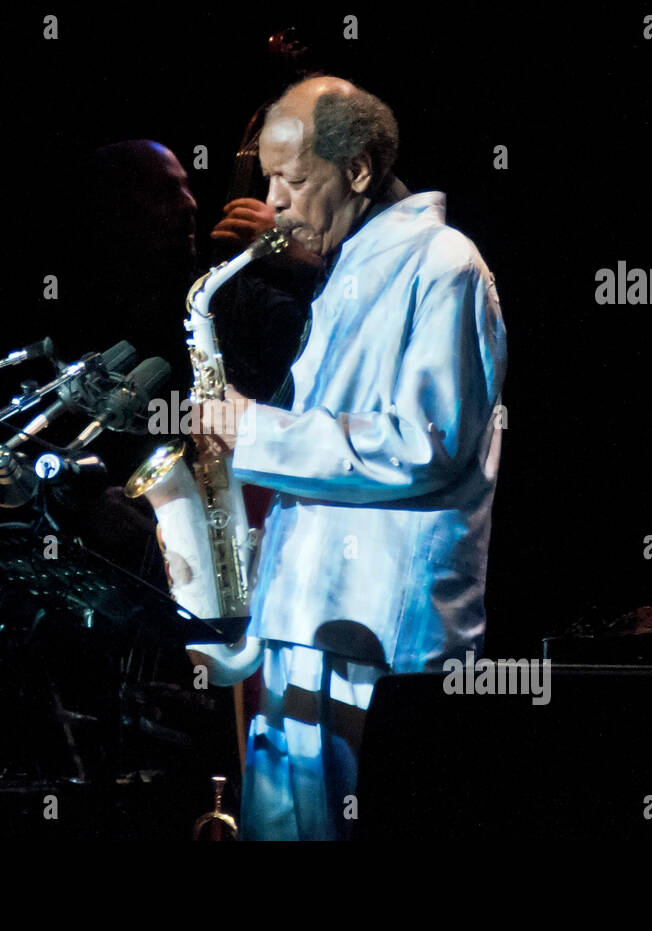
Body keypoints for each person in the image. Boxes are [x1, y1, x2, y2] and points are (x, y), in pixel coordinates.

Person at [193, 76, 507, 840]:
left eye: (292, 180)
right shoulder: (341, 273)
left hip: (380, 635)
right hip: (307, 618)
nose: (272, 202)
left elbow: (422, 445)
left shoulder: (444, 265)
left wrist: (256, 430)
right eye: (268, 176)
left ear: (359, 169)